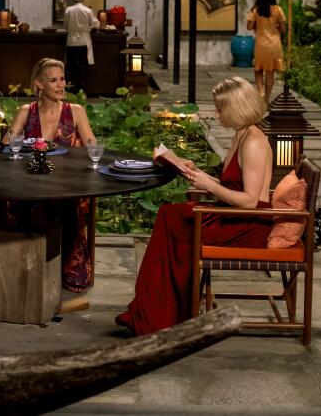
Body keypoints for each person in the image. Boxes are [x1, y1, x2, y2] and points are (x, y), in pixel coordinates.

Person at [116, 76, 273, 335]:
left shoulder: (254, 141)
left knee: (171, 220)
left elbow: (250, 201)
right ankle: (159, 311)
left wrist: (208, 185)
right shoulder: (241, 135)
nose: (216, 114)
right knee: (169, 216)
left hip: (249, 224)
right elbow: (231, 185)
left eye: (220, 109)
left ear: (237, 108)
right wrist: (197, 173)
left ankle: (162, 314)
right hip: (233, 215)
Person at [0, 58, 98, 292]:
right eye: (53, 80)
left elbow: (93, 147)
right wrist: (13, 136)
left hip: (66, 183)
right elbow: (7, 147)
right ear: (40, 84)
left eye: (62, 79)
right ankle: (21, 262)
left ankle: (67, 264)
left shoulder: (75, 111)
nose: (61, 85)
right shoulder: (26, 111)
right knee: (7, 199)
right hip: (30, 181)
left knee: (65, 201)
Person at [246, 0, 286, 102]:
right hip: (274, 45)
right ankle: (266, 100)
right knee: (270, 72)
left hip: (261, 45)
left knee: (258, 71)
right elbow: (283, 30)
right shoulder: (278, 9)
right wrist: (275, 28)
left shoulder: (255, 10)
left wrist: (257, 26)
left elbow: (249, 27)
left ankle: (261, 92)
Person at [63, 0, 99, 95]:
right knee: (83, 67)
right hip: (84, 41)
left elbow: (65, 26)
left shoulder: (68, 10)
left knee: (70, 67)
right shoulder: (88, 10)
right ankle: (82, 91)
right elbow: (96, 24)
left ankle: (69, 91)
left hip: (71, 41)